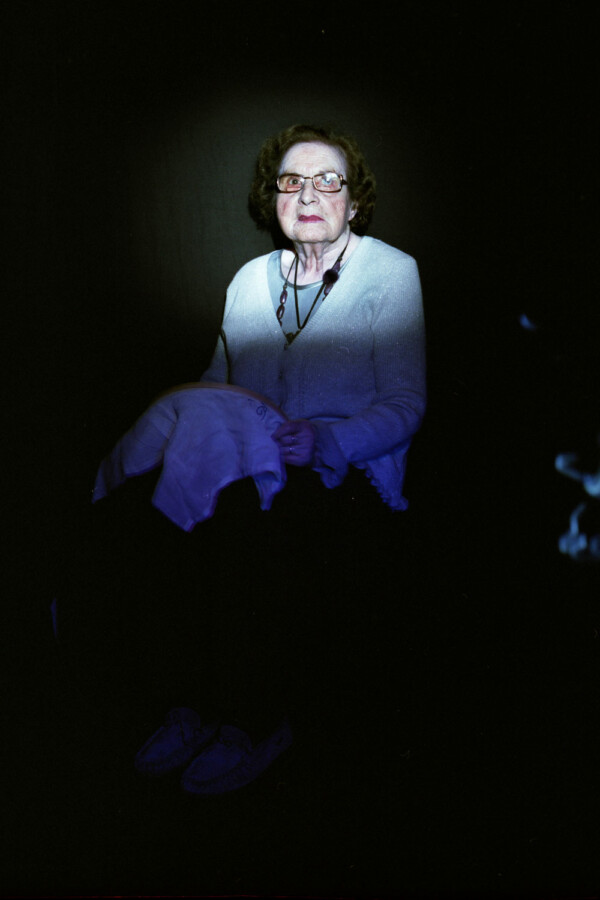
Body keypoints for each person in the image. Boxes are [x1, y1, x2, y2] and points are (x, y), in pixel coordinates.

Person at [76, 123, 426, 796]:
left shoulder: (391, 273)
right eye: (292, 181)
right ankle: (188, 709)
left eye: (329, 181)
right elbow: (218, 382)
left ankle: (253, 722)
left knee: (249, 528)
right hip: (251, 458)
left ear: (355, 201)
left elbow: (407, 403)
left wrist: (327, 442)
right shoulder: (247, 281)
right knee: (161, 513)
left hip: (346, 469)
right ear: (274, 198)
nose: (309, 194)